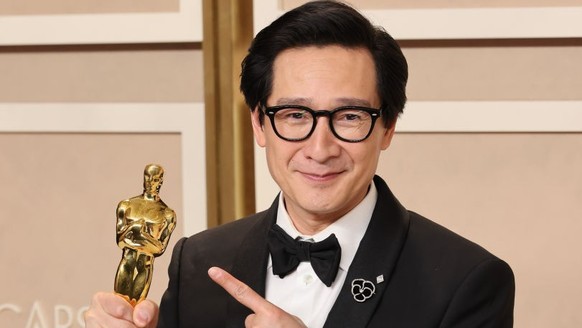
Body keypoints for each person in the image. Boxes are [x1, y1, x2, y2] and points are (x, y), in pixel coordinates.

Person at [84, 1, 515, 327]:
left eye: (349, 116)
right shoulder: (198, 261)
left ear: (387, 128)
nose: (320, 147)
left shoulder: (467, 281)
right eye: (295, 115)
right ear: (259, 124)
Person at [114, 164, 177, 306]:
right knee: (118, 305)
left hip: (145, 266)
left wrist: (138, 234)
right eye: (147, 177)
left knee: (136, 309)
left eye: (154, 179)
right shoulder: (127, 205)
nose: (150, 182)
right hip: (126, 263)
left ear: (160, 181)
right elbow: (120, 241)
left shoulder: (167, 214)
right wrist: (138, 233)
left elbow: (160, 248)